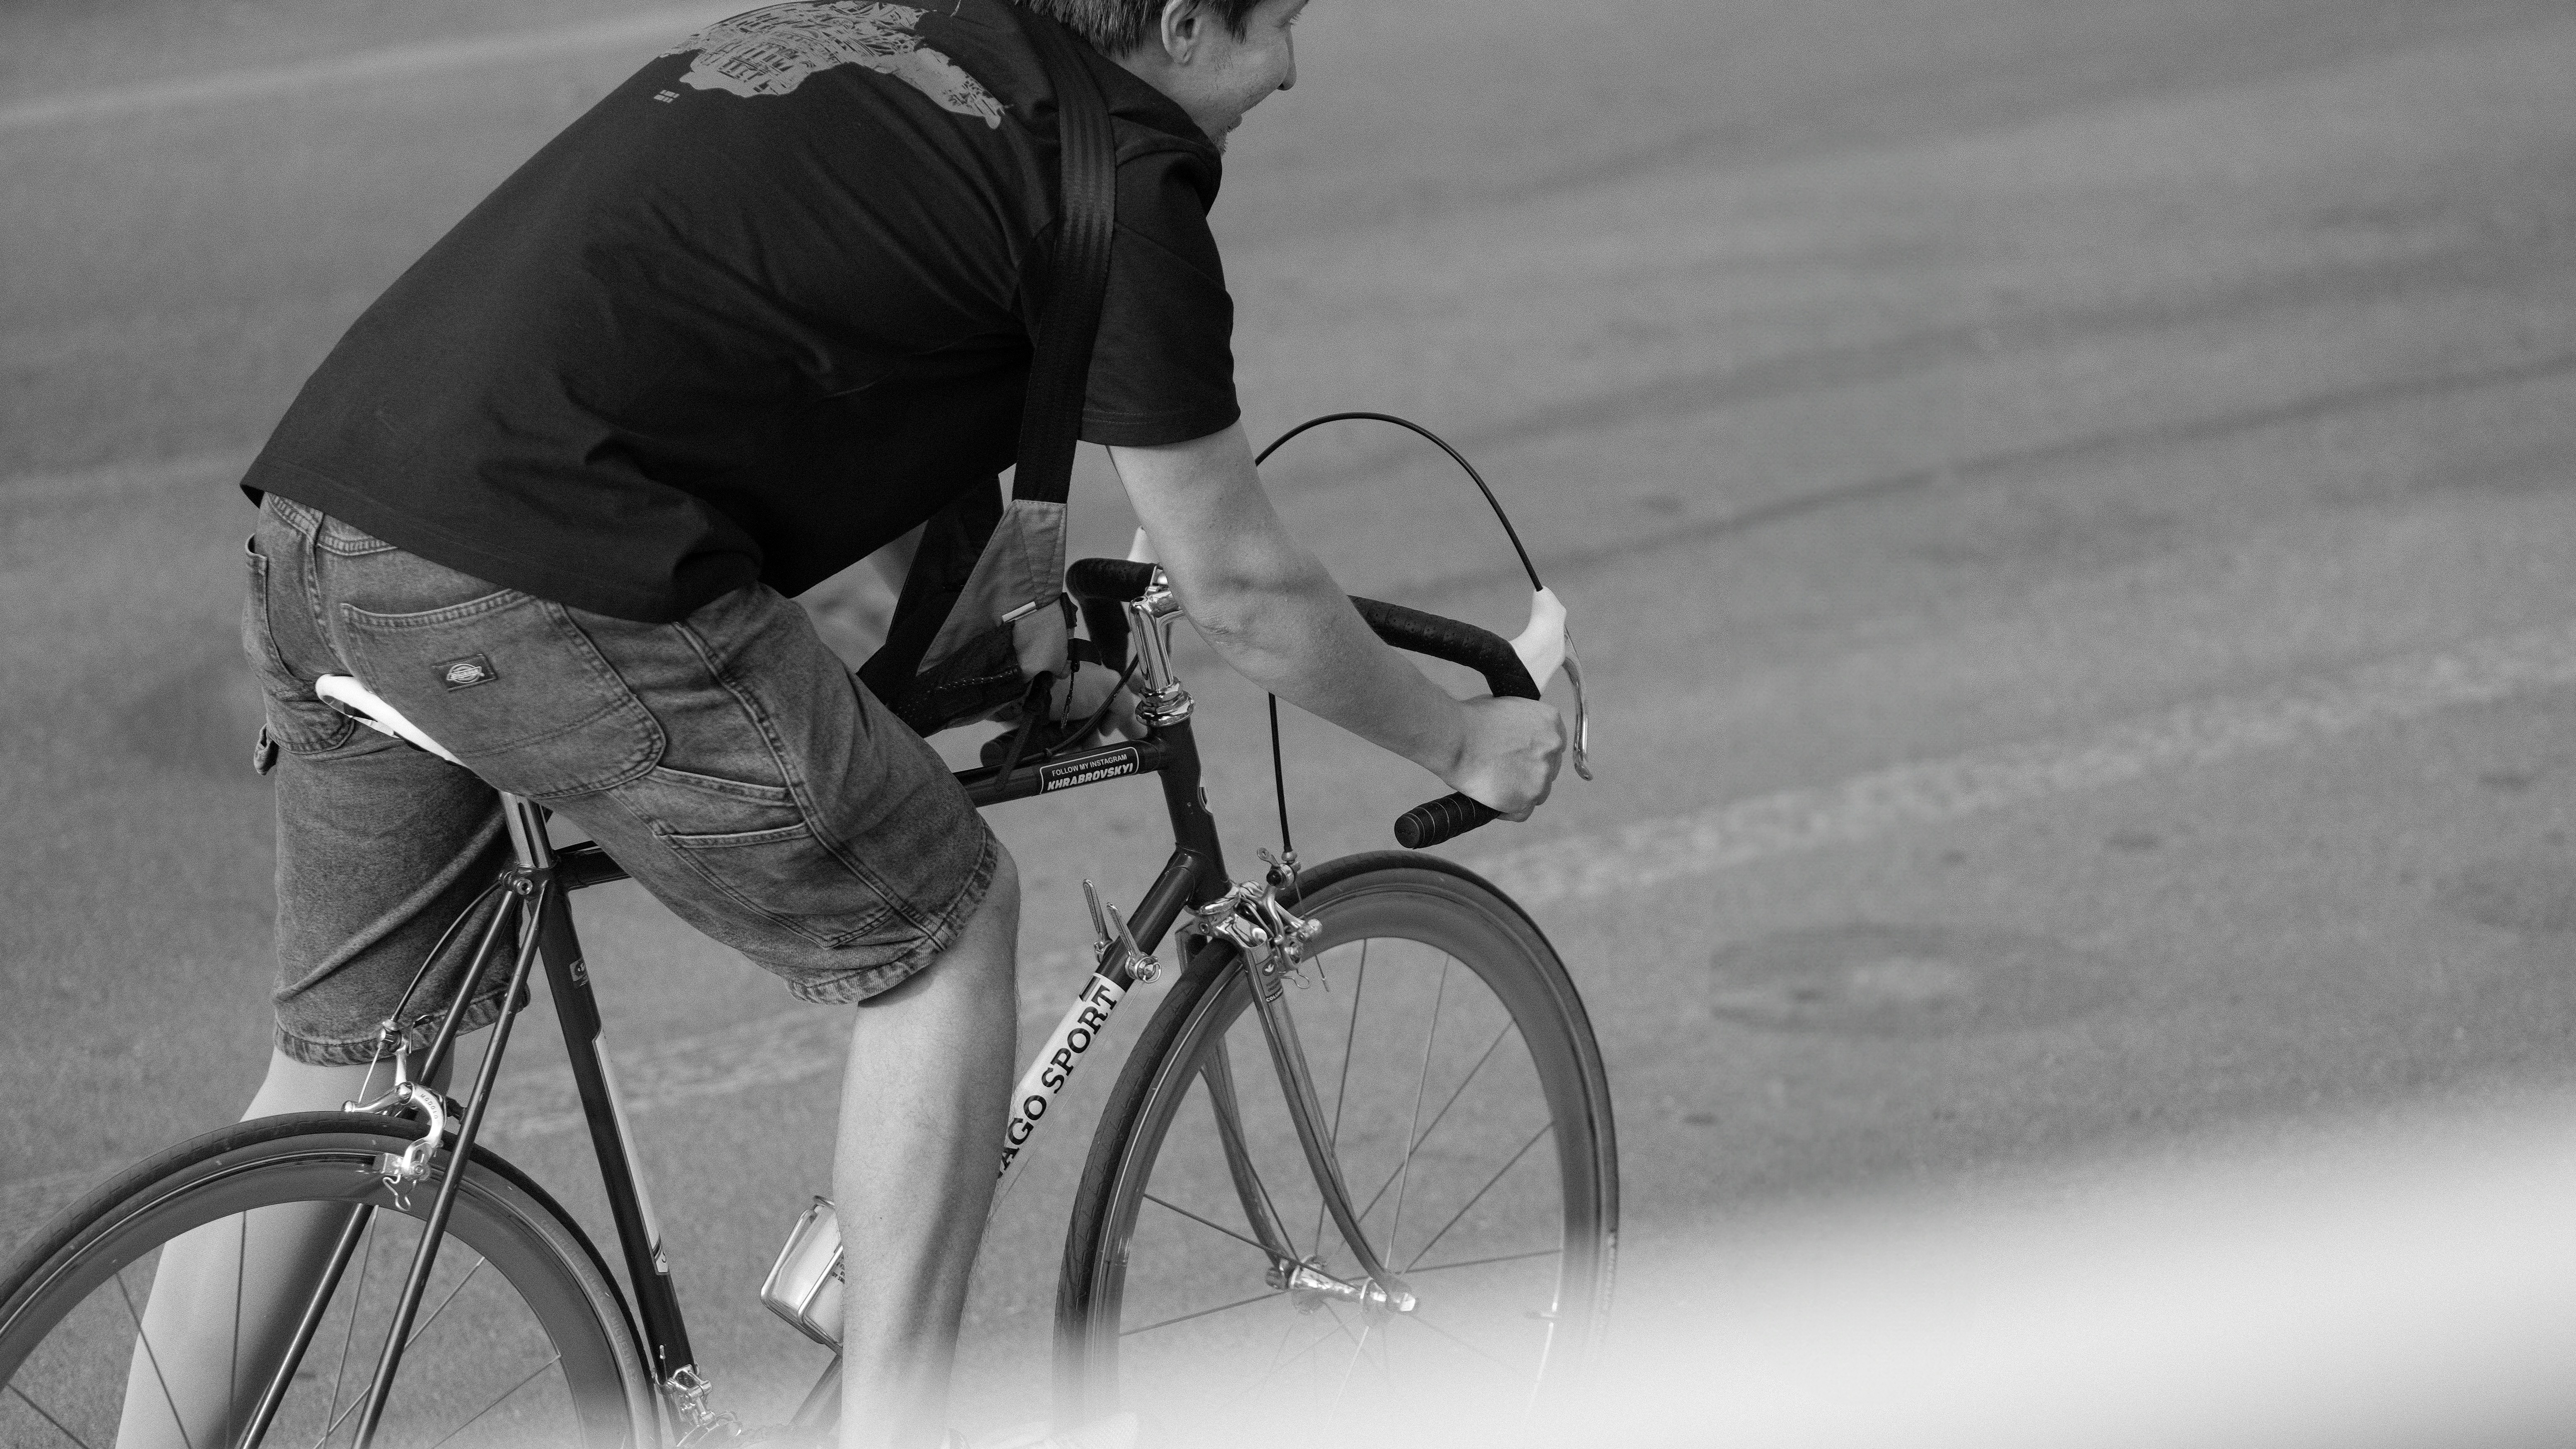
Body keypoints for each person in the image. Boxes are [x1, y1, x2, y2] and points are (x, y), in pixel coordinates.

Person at [128, 1, 1566, 1446]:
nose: (1292, 70)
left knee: (349, 1071)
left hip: (329, 527)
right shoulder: (1124, 178)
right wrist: (1463, 743)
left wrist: (1021, 652)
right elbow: (1243, 588)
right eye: (1277, 27)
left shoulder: (900, 38)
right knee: (945, 930)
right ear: (1183, 22)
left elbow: (844, 379)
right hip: (541, 580)